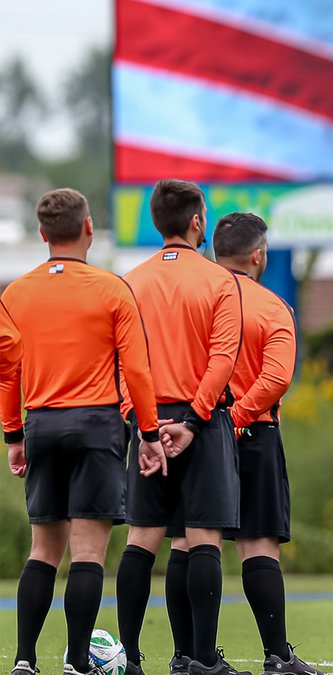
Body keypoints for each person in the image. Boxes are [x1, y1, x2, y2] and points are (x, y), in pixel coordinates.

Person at [1, 188, 164, 675]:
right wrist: (150, 433)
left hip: (43, 424)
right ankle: (76, 664)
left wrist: (14, 436)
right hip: (96, 424)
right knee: (88, 552)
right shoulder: (113, 289)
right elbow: (137, 371)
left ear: (42, 233)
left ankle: (25, 661)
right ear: (88, 228)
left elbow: (7, 373)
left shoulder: (15, 293)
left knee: (43, 549)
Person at [115, 179, 245, 675]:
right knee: (203, 538)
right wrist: (191, 423)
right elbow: (222, 359)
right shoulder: (219, 281)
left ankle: (130, 659)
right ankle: (203, 660)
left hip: (148, 421)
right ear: (197, 222)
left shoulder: (130, 281)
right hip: (202, 421)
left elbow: (123, 362)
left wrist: (142, 424)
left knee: (142, 540)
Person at [209, 213, 322, 674]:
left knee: (196, 544)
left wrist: (213, 420)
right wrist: (237, 417)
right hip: (254, 431)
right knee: (258, 545)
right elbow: (276, 377)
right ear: (258, 255)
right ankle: (277, 655)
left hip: (200, 431)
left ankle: (192, 655)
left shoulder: (199, 302)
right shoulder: (272, 306)